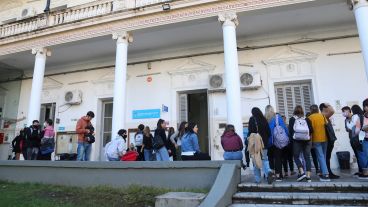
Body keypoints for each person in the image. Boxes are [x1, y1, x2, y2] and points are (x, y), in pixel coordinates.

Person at [247, 107, 274, 184]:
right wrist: (264, 139)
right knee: (265, 159)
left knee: (255, 160)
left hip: (255, 144)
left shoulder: (252, 119)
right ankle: (268, 171)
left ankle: (258, 179)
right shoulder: (264, 119)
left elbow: (250, 131)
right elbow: (269, 132)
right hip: (263, 144)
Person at [265, 105, 289, 181]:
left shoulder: (265, 119)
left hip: (269, 141)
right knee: (278, 157)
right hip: (278, 140)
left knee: (271, 158)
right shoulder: (277, 117)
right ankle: (279, 175)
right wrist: (288, 137)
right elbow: (284, 127)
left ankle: (273, 173)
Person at [289, 106, 313, 182]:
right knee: (307, 157)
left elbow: (290, 131)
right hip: (307, 140)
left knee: (296, 156)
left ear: (294, 111)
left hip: (296, 140)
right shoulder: (306, 119)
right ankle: (308, 176)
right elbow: (311, 130)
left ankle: (302, 172)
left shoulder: (292, 119)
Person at [309, 105, 330, 182]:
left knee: (320, 156)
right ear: (317, 109)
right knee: (323, 156)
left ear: (311, 110)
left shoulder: (310, 118)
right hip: (325, 138)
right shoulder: (322, 116)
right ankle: (322, 172)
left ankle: (325, 174)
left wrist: (310, 142)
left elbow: (310, 131)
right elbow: (327, 125)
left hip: (316, 139)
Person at [342, 105, 364, 176]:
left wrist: (351, 127)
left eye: (344, 111)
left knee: (361, 154)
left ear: (348, 111)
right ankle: (360, 170)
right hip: (352, 139)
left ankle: (363, 170)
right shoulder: (346, 120)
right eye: (342, 112)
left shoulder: (355, 117)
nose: (343, 113)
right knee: (357, 154)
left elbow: (352, 127)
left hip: (359, 138)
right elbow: (347, 129)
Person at [320, 103, 339, 179]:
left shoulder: (323, 116)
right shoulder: (324, 115)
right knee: (327, 157)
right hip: (327, 140)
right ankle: (328, 172)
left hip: (328, 140)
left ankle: (326, 172)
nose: (328, 109)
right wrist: (328, 105)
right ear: (324, 109)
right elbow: (332, 111)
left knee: (326, 157)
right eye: (326, 108)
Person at [358, 99, 368, 178]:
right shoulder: (361, 118)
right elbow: (358, 130)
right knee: (366, 156)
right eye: (366, 106)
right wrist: (362, 129)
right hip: (365, 140)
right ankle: (365, 172)